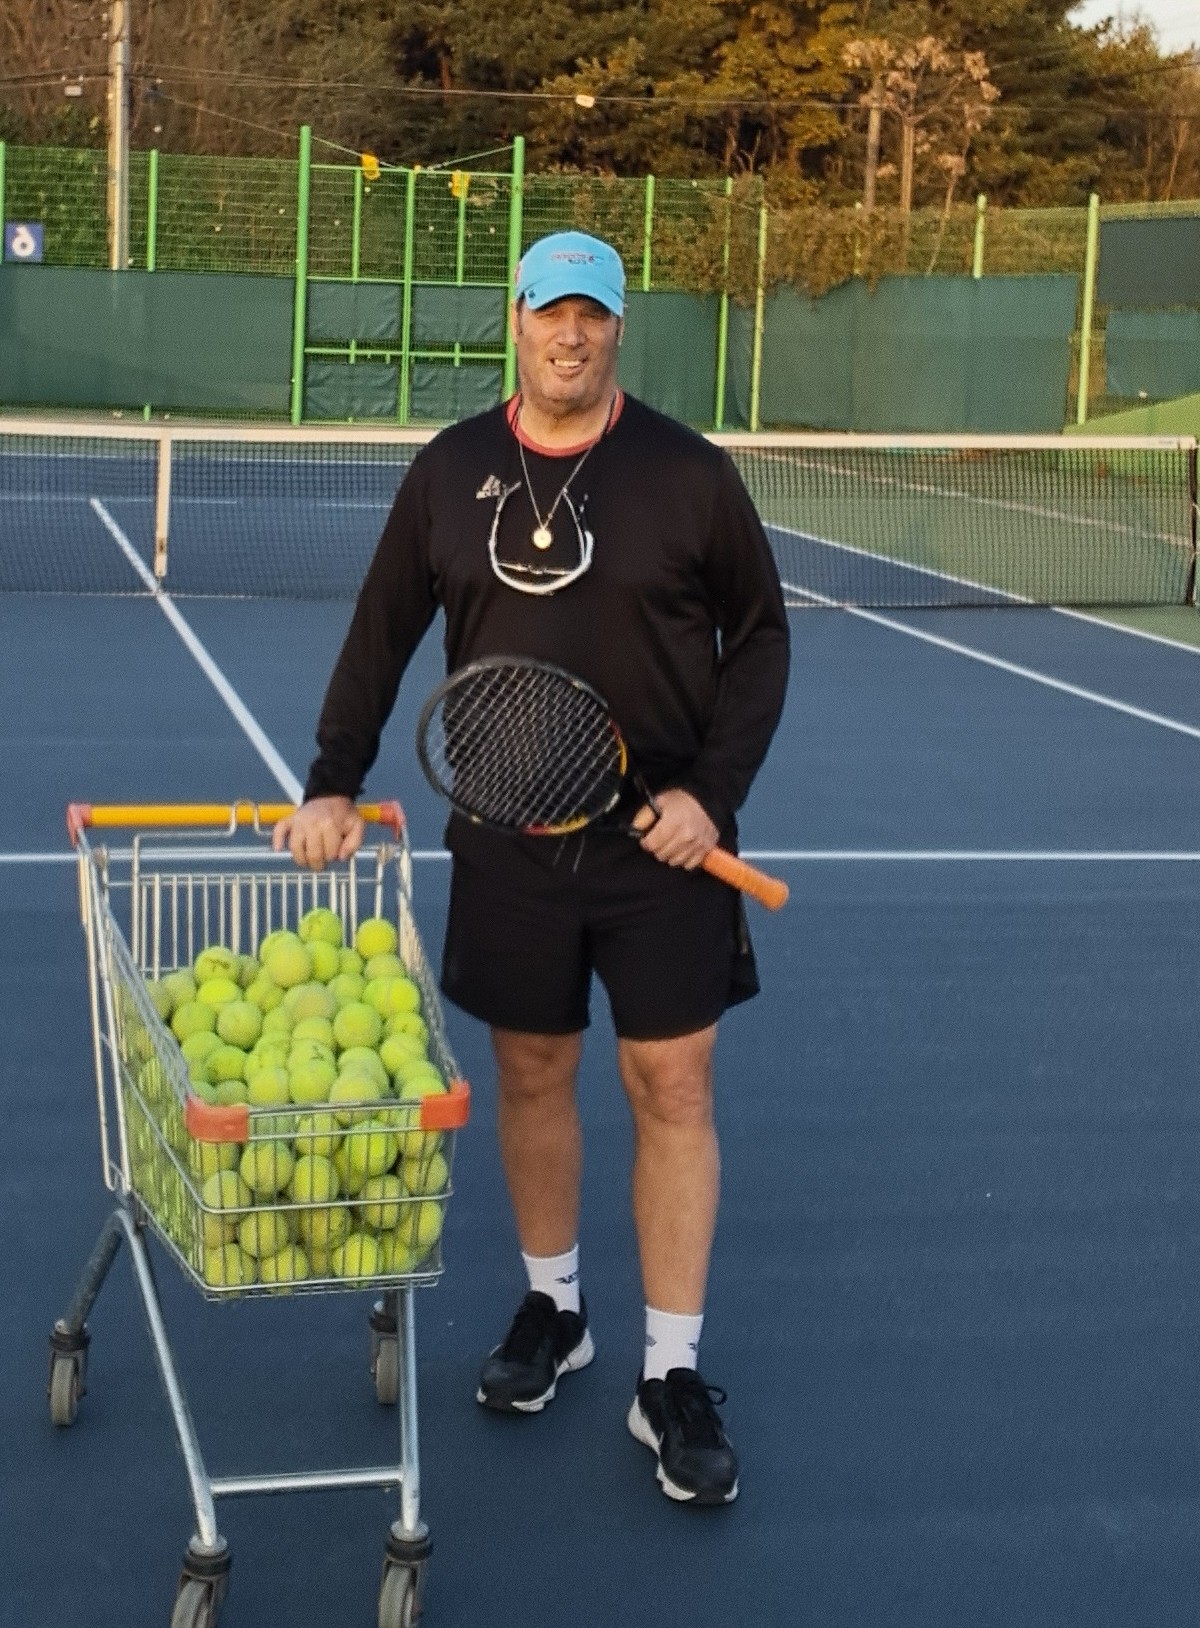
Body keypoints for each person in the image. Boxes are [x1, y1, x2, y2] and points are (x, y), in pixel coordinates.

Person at [273, 230, 789, 1507]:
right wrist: (332, 777)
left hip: (661, 849)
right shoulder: (450, 470)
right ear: (514, 321)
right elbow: (382, 626)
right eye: (550, 312)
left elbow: (762, 638)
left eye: (593, 316)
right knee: (530, 1067)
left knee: (674, 1085)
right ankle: (554, 1309)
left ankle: (671, 1371)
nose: (571, 334)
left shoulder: (688, 474)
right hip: (505, 837)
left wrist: (707, 797)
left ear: (620, 331)